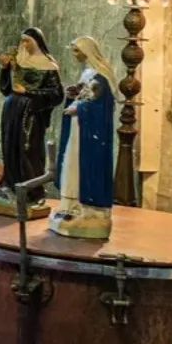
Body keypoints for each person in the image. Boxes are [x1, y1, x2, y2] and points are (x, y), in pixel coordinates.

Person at [0, 29, 64, 216]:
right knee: (10, 148)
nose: (24, 45)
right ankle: (11, 187)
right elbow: (6, 90)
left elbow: (56, 95)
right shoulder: (19, 62)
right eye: (22, 41)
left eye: (28, 41)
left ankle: (33, 192)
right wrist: (5, 70)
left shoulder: (48, 65)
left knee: (28, 150)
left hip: (31, 113)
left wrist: (29, 94)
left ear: (37, 42)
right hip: (12, 110)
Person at [51, 36, 117, 240]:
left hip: (91, 136)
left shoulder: (100, 78)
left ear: (87, 51)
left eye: (77, 51)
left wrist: (78, 107)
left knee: (87, 167)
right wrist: (74, 94)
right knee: (73, 164)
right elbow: (85, 95)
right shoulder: (88, 73)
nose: (75, 55)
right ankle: (72, 206)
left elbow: (98, 106)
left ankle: (91, 210)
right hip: (79, 131)